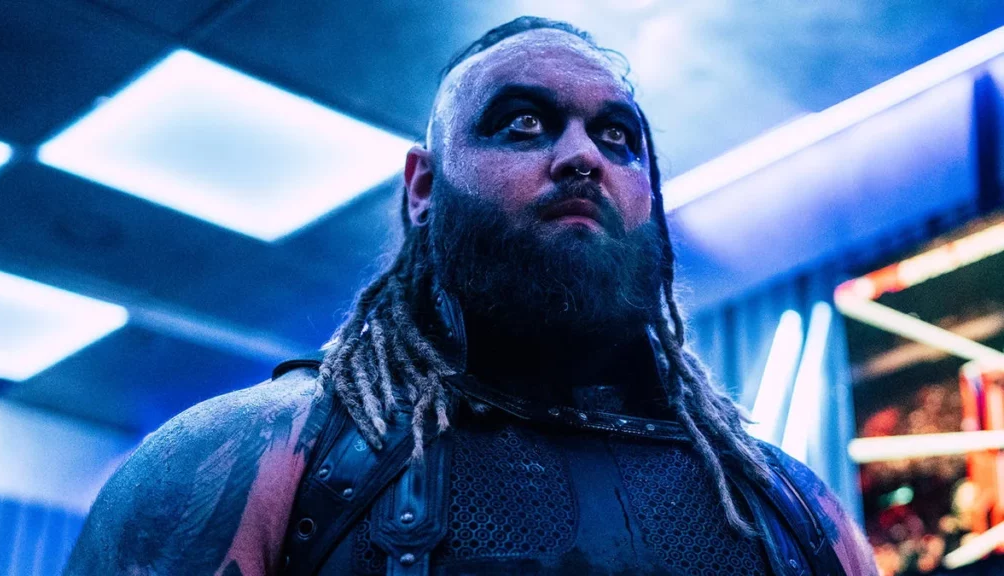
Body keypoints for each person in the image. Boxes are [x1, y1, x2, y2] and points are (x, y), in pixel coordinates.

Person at [65, 16, 877, 576]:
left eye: (617, 136)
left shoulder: (795, 512)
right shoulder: (249, 462)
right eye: (522, 123)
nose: (582, 156)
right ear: (423, 187)